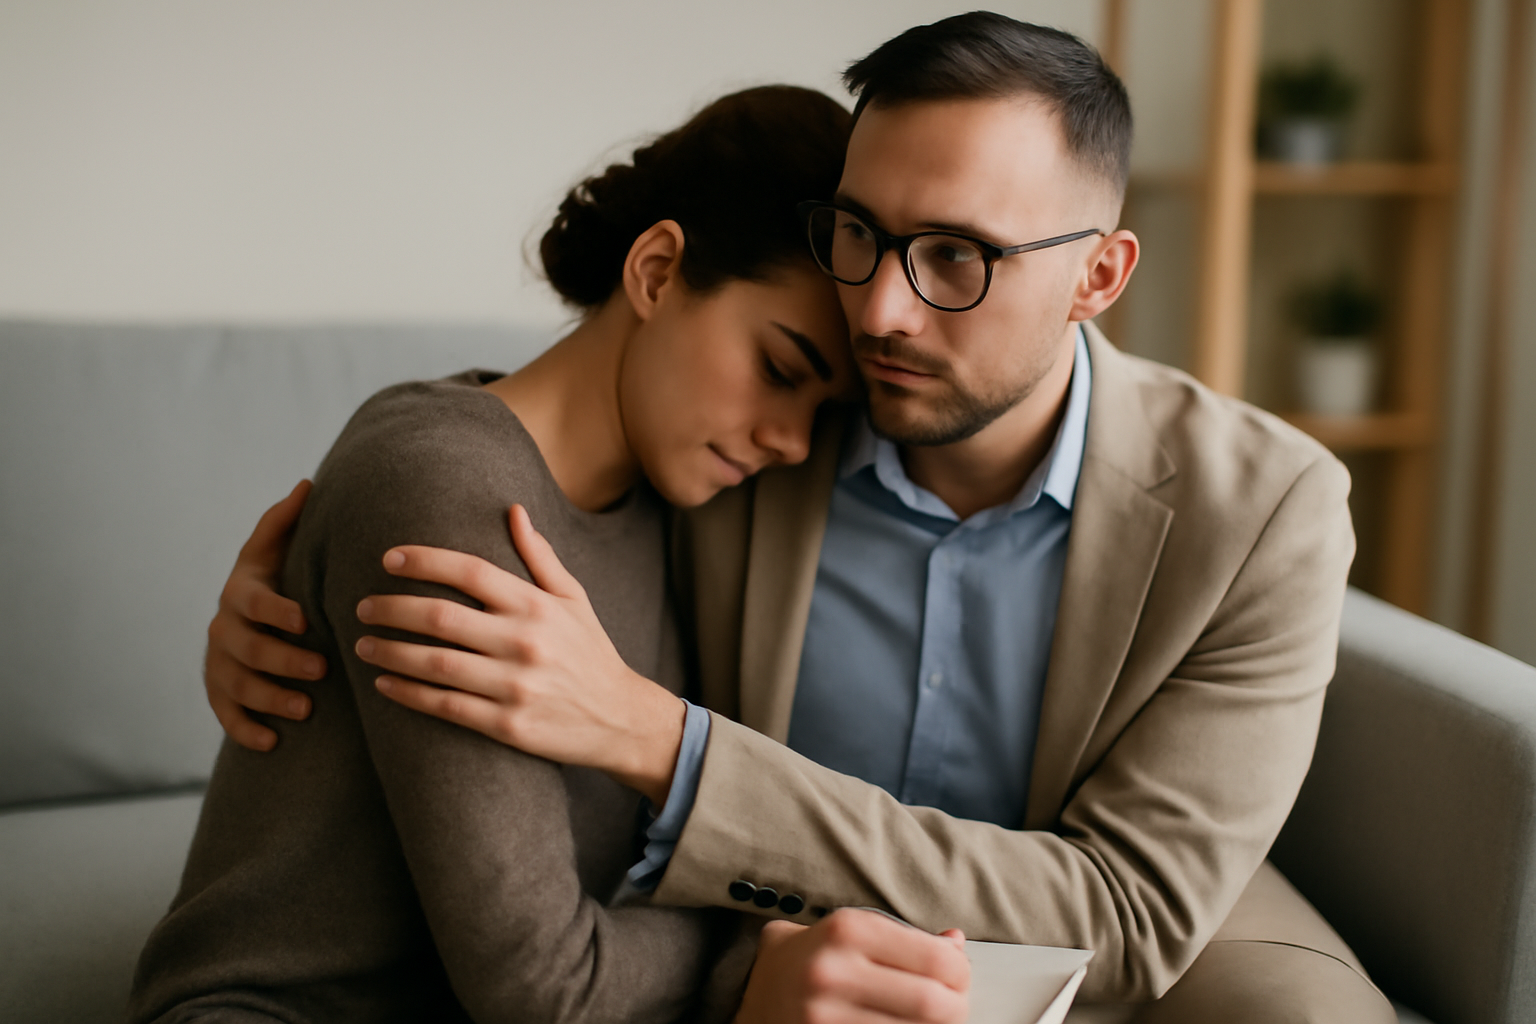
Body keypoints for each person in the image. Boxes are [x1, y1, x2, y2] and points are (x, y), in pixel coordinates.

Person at [206, 14, 1397, 1024]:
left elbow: (1131, 910)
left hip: (1030, 921)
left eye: (956, 256)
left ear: (1097, 277)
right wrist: (313, 584)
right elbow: (538, 451)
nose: (878, 309)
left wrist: (665, 745)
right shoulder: (778, 425)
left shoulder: (1267, 509)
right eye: (862, 233)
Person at [127, 84, 974, 1024]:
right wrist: (760, 943)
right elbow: (545, 990)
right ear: (655, 271)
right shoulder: (443, 483)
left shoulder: (688, 504)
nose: (790, 443)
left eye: (825, 415)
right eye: (780, 370)